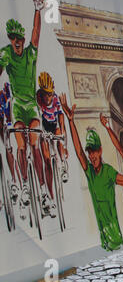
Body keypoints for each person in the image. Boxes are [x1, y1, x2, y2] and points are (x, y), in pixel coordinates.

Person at [60, 93, 123, 251]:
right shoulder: (90, 172)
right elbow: (79, 152)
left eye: (94, 151)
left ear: (100, 151)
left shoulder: (107, 171)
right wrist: (71, 121)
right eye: (90, 152)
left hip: (114, 232)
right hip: (103, 236)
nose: (91, 155)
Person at [0, 0, 51, 213]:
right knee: (20, 145)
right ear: (10, 40)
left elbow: (36, 35)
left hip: (31, 105)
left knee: (35, 144)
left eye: (19, 38)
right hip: (17, 106)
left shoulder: (30, 53)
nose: (17, 42)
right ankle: (24, 189)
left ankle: (44, 191)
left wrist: (38, 10)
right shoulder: (6, 54)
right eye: (13, 38)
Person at [36, 72, 69, 202]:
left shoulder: (55, 98)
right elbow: (38, 117)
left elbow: (61, 118)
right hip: (43, 125)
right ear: (42, 93)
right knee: (47, 160)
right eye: (46, 94)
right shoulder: (38, 99)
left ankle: (62, 163)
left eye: (51, 94)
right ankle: (50, 195)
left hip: (54, 124)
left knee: (58, 134)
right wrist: (41, 133)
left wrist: (63, 136)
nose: (49, 97)